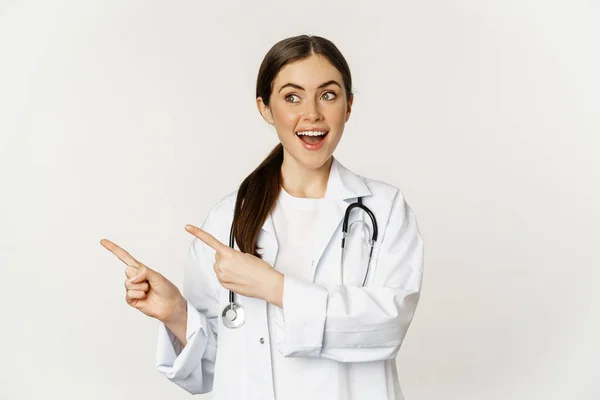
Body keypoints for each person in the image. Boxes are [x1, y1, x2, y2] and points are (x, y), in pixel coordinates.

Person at [100, 34, 424, 400]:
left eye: (328, 95)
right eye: (292, 97)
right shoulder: (227, 220)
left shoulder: (384, 209)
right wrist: (175, 312)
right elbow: (214, 368)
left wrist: (275, 288)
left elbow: (388, 327)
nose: (312, 114)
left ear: (348, 106)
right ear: (265, 108)